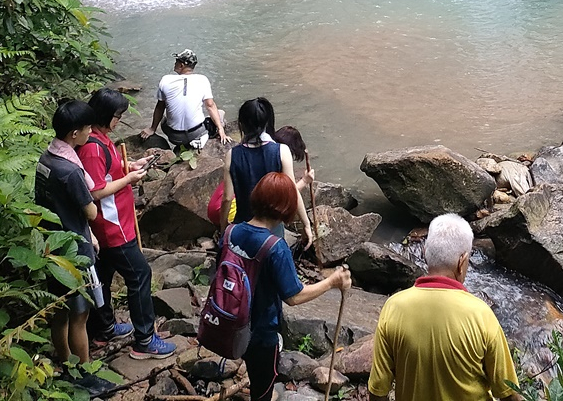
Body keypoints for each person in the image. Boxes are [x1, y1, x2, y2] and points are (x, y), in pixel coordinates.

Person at [369, 214, 520, 401]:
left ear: (425, 253)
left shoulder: (393, 308)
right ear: (462, 261)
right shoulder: (481, 315)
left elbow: (378, 392)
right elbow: (508, 394)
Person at [229, 172, 350, 401]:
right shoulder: (276, 247)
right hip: (261, 331)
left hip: (232, 321)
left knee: (254, 371)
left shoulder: (231, 232)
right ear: (284, 208)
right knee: (263, 387)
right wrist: (332, 282)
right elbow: (293, 296)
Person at [78, 88, 176, 359]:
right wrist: (129, 180)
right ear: (105, 115)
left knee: (105, 276)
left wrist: (130, 166)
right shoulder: (91, 148)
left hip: (116, 222)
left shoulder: (100, 138)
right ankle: (145, 339)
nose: (119, 120)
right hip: (112, 227)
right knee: (140, 275)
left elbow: (110, 171)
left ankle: (104, 327)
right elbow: (95, 191)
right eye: (117, 116)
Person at [35, 100, 115, 398]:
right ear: (73, 133)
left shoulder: (46, 159)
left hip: (50, 243)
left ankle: (65, 361)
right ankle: (85, 373)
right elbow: (91, 212)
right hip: (73, 248)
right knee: (80, 315)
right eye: (86, 129)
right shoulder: (70, 170)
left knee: (59, 311)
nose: (90, 133)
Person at [220, 99, 315, 244]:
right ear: (267, 122)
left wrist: (223, 228)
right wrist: (306, 224)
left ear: (241, 124)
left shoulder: (232, 155)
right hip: (272, 228)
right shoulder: (281, 151)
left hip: (243, 224)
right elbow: (292, 192)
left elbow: (227, 198)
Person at [141, 49, 228, 150]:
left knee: (164, 120)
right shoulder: (202, 80)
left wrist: (152, 129)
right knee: (220, 113)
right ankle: (210, 135)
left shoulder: (166, 80)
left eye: (176, 61)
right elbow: (210, 105)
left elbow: (160, 107)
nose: (174, 63)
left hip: (174, 137)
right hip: (196, 134)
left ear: (182, 65)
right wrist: (220, 128)